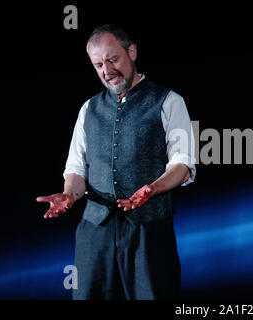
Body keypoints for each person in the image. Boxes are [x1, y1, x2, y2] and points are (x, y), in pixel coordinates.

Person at [36, 24, 196, 300]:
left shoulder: (169, 102)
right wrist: (70, 195)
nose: (106, 71)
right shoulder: (88, 109)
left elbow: (183, 165)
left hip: (148, 228)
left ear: (131, 52)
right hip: (94, 230)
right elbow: (76, 167)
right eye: (98, 64)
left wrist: (152, 189)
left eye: (112, 59)